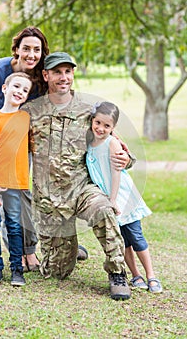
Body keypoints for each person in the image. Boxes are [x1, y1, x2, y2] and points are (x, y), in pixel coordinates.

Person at [20, 52, 135, 300]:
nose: (64, 77)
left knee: (104, 209)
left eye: (68, 72)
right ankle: (70, 251)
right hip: (50, 200)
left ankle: (117, 273)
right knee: (57, 272)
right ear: (46, 75)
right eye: (58, 72)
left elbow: (113, 140)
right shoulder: (30, 111)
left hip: (82, 189)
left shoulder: (88, 110)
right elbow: (7, 141)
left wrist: (127, 159)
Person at [0, 26, 49, 272]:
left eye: (37, 50)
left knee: (22, 194)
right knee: (3, 194)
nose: (31, 54)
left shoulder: (42, 76)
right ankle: (20, 254)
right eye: (26, 48)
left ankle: (28, 250)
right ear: (16, 49)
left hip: (27, 142)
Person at [86, 101, 163, 293]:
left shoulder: (112, 143)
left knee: (136, 237)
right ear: (92, 121)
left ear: (113, 128)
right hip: (107, 197)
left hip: (122, 196)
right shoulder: (89, 143)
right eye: (98, 123)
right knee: (123, 241)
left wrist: (113, 200)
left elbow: (116, 173)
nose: (101, 128)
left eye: (107, 126)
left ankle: (151, 275)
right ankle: (135, 275)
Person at [0, 72, 32, 286]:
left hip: (15, 182)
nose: (19, 92)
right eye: (16, 87)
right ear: (4, 88)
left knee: (14, 225)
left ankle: (17, 270)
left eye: (25, 90)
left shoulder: (27, 119)